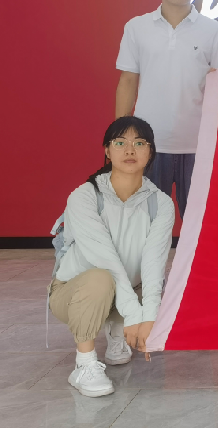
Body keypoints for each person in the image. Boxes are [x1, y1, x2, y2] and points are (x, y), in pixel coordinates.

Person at [49, 116, 174, 398]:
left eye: (139, 143)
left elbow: (154, 264)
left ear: (150, 152)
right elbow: (104, 258)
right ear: (107, 150)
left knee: (154, 282)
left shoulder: (160, 203)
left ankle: (118, 333)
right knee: (101, 277)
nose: (130, 150)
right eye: (120, 143)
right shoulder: (84, 196)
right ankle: (84, 364)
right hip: (72, 294)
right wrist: (134, 314)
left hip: (127, 288)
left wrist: (150, 318)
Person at [115, 0, 218, 215]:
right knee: (147, 220)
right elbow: (128, 81)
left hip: (199, 144)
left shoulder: (213, 30)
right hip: (148, 143)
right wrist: (119, 138)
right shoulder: (137, 27)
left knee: (199, 220)